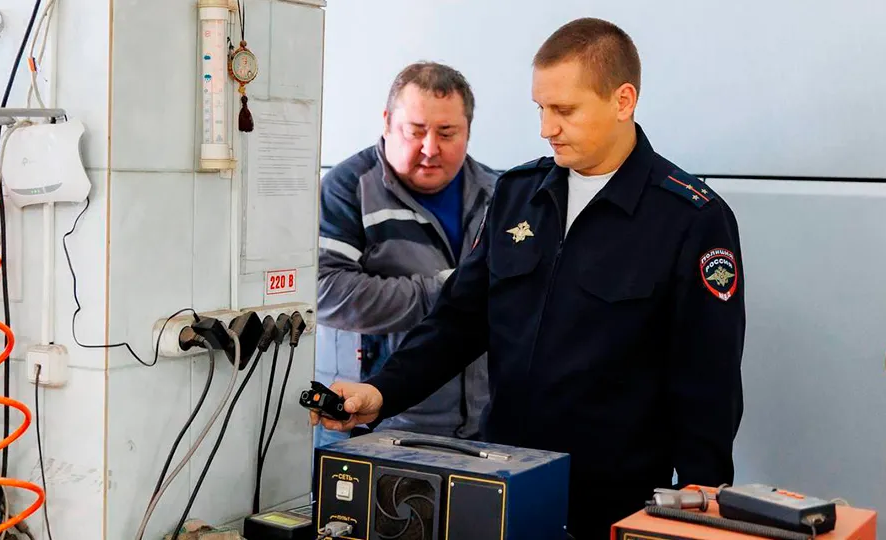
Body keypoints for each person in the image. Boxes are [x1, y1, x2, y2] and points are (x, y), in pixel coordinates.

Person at [313, 18, 745, 539]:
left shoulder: (689, 218)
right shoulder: (519, 194)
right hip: (499, 481)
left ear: (623, 100)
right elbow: (458, 320)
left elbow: (708, 381)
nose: (546, 128)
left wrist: (701, 504)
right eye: (541, 108)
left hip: (613, 501)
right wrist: (381, 392)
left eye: (564, 110)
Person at [314, 62, 497, 448]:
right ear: (386, 122)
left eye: (448, 133)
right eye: (415, 132)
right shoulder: (348, 189)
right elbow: (326, 292)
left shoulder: (498, 194)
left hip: (482, 430)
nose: (430, 149)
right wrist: (445, 291)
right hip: (378, 426)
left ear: (468, 130)